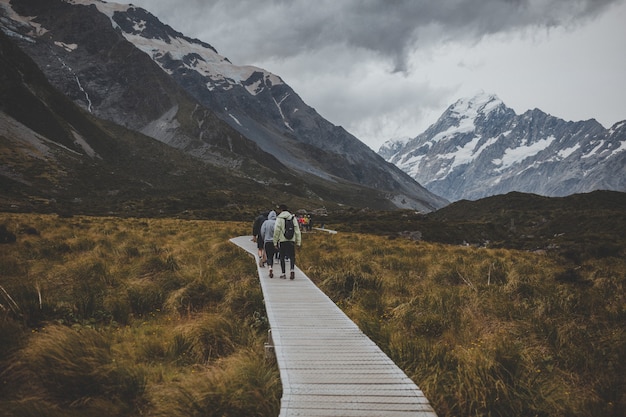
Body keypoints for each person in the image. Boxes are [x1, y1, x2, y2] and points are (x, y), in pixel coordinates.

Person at [273, 204, 301, 279]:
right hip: (291, 240)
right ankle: (292, 270)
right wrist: (298, 242)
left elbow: (276, 230)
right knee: (292, 256)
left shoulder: (279, 218)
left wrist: (275, 242)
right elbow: (297, 230)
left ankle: (283, 273)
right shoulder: (293, 218)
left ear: (281, 210)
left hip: (282, 240)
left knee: (282, 257)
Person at [260, 210, 277, 278]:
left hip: (267, 241)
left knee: (268, 256)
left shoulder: (265, 222)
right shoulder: (277, 222)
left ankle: (270, 267)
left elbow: (262, 231)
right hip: (274, 242)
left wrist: (264, 238)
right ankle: (271, 266)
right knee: (272, 255)